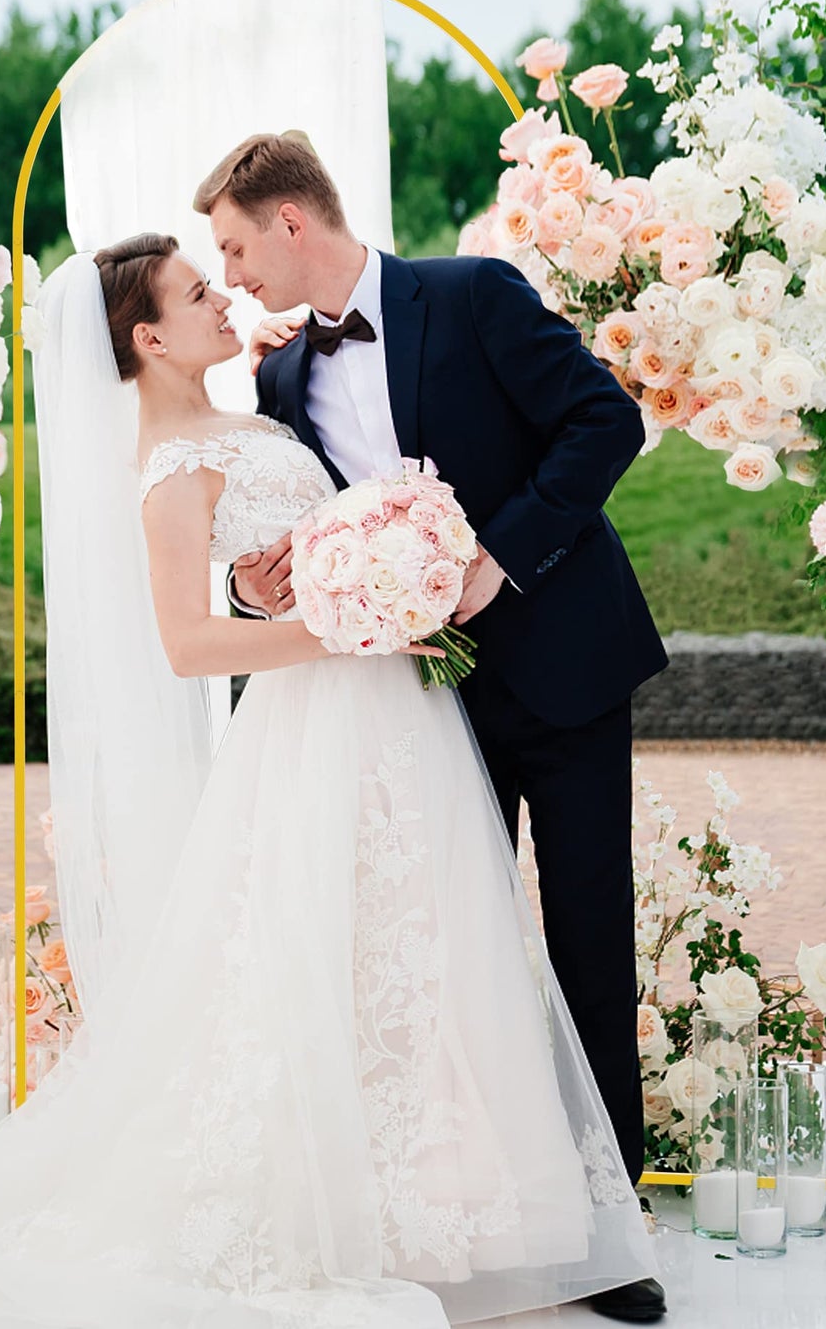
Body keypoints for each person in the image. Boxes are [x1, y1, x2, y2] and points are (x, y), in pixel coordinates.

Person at [0, 231, 661, 1327]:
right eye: (198, 290)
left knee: (428, 948)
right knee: (319, 954)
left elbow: (300, 546)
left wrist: (342, 584)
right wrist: (343, 624)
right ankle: (338, 1206)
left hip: (401, 713)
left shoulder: (263, 406)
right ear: (149, 338)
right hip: (317, 718)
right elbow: (189, 644)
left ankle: (466, 1202)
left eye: (223, 269)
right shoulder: (168, 467)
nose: (225, 295)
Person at [207, 131, 670, 1322]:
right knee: (454, 960)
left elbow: (602, 422)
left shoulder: (469, 295)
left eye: (236, 247)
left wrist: (496, 558)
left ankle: (612, 1233)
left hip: (563, 668)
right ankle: (479, 1210)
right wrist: (254, 590)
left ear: (291, 221)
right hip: (420, 705)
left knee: (586, 936)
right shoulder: (278, 382)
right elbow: (296, 543)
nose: (232, 274)